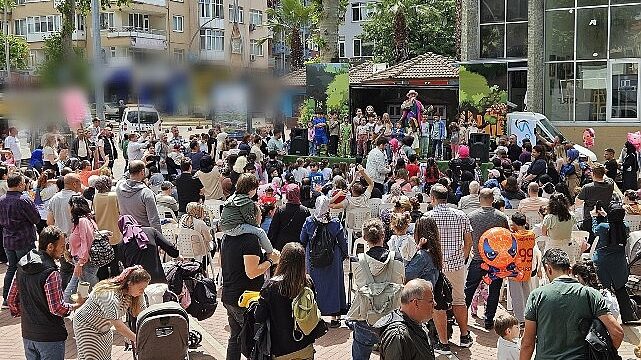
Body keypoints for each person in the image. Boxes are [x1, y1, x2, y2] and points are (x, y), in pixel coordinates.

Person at [521, 249, 624, 359]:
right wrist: (604, 354)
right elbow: (617, 332)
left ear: (548, 269)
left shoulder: (537, 296)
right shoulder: (591, 294)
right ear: (570, 270)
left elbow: (528, 343)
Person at [8, 226, 83, 360]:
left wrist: (28, 314)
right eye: (61, 246)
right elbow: (57, 308)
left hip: (28, 334)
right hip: (50, 337)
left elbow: (11, 300)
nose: (63, 250)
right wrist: (76, 305)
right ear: (50, 246)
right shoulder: (51, 272)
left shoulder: (22, 265)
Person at [221, 204, 280, 360]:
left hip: (230, 295)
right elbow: (252, 272)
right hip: (245, 299)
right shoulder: (250, 239)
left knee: (235, 338)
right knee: (254, 340)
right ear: (253, 217)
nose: (261, 218)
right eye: (259, 215)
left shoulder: (228, 235)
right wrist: (270, 261)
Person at [346, 218, 404, 360]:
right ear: (383, 235)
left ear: (364, 237)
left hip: (365, 318)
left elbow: (356, 285)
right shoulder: (397, 257)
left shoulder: (356, 260)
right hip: (391, 319)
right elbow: (401, 281)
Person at [425, 184, 473, 352]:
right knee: (459, 300)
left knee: (438, 304)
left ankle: (443, 343)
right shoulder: (461, 215)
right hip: (456, 266)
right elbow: (468, 241)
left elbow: (422, 244)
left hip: (436, 267)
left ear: (432, 198)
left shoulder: (427, 216)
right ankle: (465, 336)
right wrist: (463, 258)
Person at [255, 242, 323, 360]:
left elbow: (259, 316)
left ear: (282, 260)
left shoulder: (270, 286)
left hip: (281, 350)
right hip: (305, 345)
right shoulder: (307, 282)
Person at [73, 266, 151, 360]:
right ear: (130, 284)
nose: (142, 291)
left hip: (104, 327)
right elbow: (118, 326)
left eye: (144, 288)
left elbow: (143, 314)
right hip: (86, 326)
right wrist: (138, 340)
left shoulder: (134, 292)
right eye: (141, 288)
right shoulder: (108, 294)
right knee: (91, 357)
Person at [465, 188, 509, 331]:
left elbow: (467, 238)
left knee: (469, 289)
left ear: (479, 199)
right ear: (493, 200)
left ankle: (461, 317)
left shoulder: (471, 216)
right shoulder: (501, 217)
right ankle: (489, 320)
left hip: (478, 258)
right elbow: (507, 237)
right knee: (494, 290)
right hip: (496, 261)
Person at [300, 195, 348, 327]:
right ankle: (335, 318)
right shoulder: (335, 223)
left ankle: (315, 316)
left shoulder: (309, 222)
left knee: (315, 287)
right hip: (333, 258)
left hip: (313, 259)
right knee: (334, 286)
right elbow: (343, 242)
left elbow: (302, 239)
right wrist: (343, 255)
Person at [591, 203, 638, 323]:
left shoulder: (603, 227)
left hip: (602, 261)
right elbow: (616, 224)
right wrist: (606, 216)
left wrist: (595, 217)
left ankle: (604, 319)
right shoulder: (625, 226)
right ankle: (628, 316)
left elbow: (595, 230)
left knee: (604, 290)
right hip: (619, 262)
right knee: (620, 289)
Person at [0, 173, 40, 307]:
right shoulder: (23, 199)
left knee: (12, 268)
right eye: (23, 183)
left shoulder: (2, 199)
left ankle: (7, 298)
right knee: (28, 269)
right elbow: (36, 218)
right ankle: (26, 298)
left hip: (8, 240)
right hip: (24, 239)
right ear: (19, 184)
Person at [374, 279, 436, 360]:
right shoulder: (398, 336)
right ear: (416, 303)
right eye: (431, 301)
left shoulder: (416, 323)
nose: (435, 303)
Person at [62, 195, 104, 302]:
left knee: (91, 289)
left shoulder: (82, 221)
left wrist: (80, 263)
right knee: (83, 288)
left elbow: (86, 243)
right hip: (82, 261)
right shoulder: (84, 220)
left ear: (73, 207)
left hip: (85, 262)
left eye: (69, 206)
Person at [220, 173, 274, 255]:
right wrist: (257, 226)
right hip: (235, 227)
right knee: (260, 232)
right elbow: (250, 220)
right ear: (251, 189)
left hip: (225, 227)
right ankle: (271, 252)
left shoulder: (233, 197)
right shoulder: (246, 201)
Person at [118, 215, 179, 284]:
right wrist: (177, 255)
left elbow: (126, 267)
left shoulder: (122, 244)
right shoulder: (151, 231)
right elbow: (170, 248)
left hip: (136, 283)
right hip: (157, 279)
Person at [47, 173, 82, 287]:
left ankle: (63, 293)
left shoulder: (54, 198)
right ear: (74, 184)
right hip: (78, 240)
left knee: (65, 269)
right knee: (79, 270)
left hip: (61, 241)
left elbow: (49, 222)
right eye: (79, 182)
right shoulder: (77, 198)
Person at [116, 160, 161, 232]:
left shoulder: (119, 186)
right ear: (142, 172)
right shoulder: (146, 193)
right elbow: (154, 220)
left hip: (127, 233)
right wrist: (159, 240)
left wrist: (133, 168)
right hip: (144, 236)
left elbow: (124, 176)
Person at [508, 212, 537, 324]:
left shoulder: (513, 237)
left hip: (515, 270)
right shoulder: (531, 235)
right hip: (527, 268)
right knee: (527, 294)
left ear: (514, 223)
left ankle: (520, 320)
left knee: (516, 296)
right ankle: (530, 316)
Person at [93, 176, 122, 280]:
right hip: (114, 232)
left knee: (102, 264)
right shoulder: (114, 196)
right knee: (115, 264)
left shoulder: (96, 197)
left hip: (100, 233)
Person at [268, 183, 311, 252]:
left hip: (282, 246)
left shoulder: (280, 210)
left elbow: (273, 230)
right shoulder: (305, 211)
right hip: (298, 247)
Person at [577, 163, 615, 234]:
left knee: (590, 239)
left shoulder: (587, 187)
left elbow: (578, 202)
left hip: (589, 217)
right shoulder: (610, 184)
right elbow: (606, 178)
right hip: (605, 215)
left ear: (593, 174)